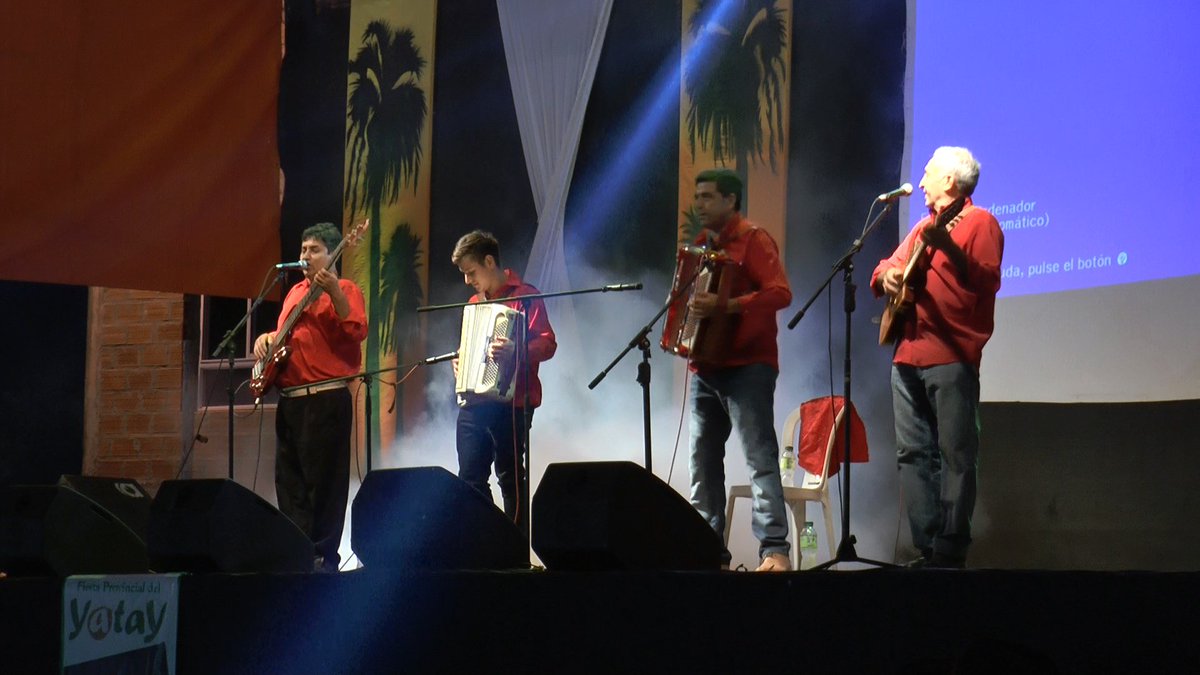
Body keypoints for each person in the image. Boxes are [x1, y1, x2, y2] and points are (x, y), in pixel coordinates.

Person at [871, 146, 1004, 569]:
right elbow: (879, 271)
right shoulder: (921, 228)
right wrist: (888, 276)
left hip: (951, 355)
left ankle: (949, 550)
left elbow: (986, 280)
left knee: (955, 453)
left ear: (950, 181)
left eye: (928, 173)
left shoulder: (980, 221)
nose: (922, 181)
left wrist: (948, 245)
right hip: (906, 354)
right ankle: (926, 547)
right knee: (912, 453)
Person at [686, 168, 794, 572]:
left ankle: (775, 551)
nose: (699, 204)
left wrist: (729, 306)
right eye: (697, 197)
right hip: (706, 368)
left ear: (731, 201)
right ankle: (708, 553)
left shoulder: (754, 239)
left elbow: (781, 293)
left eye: (708, 197)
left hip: (748, 366)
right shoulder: (699, 247)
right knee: (702, 464)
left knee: (759, 458)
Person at [253, 222, 367, 573]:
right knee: (290, 484)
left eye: (314, 250)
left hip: (325, 399)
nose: (305, 256)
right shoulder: (293, 293)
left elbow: (355, 328)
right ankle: (297, 554)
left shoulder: (345, 287)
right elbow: (289, 338)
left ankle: (323, 558)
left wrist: (333, 290)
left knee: (325, 485)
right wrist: (267, 339)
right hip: (290, 400)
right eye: (303, 250)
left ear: (333, 253)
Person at [450, 230, 556, 537]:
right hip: (474, 401)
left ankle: (517, 550)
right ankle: (486, 542)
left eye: (471, 272)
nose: (468, 281)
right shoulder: (472, 303)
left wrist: (517, 349)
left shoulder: (526, 294)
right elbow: (468, 347)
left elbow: (548, 344)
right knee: (470, 476)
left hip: (514, 402)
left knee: (510, 477)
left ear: (489, 261)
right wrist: (460, 362)